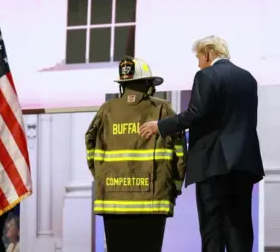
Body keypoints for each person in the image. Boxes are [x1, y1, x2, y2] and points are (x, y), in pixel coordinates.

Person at [140, 35, 265, 252]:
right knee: (239, 227)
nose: (198, 63)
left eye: (199, 57)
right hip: (244, 163)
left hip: (214, 163)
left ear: (208, 53)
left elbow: (195, 113)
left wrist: (160, 126)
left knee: (212, 228)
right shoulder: (248, 78)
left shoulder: (206, 75)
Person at [85, 56, 187, 252]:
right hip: (153, 200)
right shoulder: (163, 109)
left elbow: (90, 141)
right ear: (148, 84)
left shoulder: (106, 110)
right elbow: (179, 151)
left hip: (113, 199)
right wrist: (174, 186)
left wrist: (101, 176)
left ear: (123, 85)